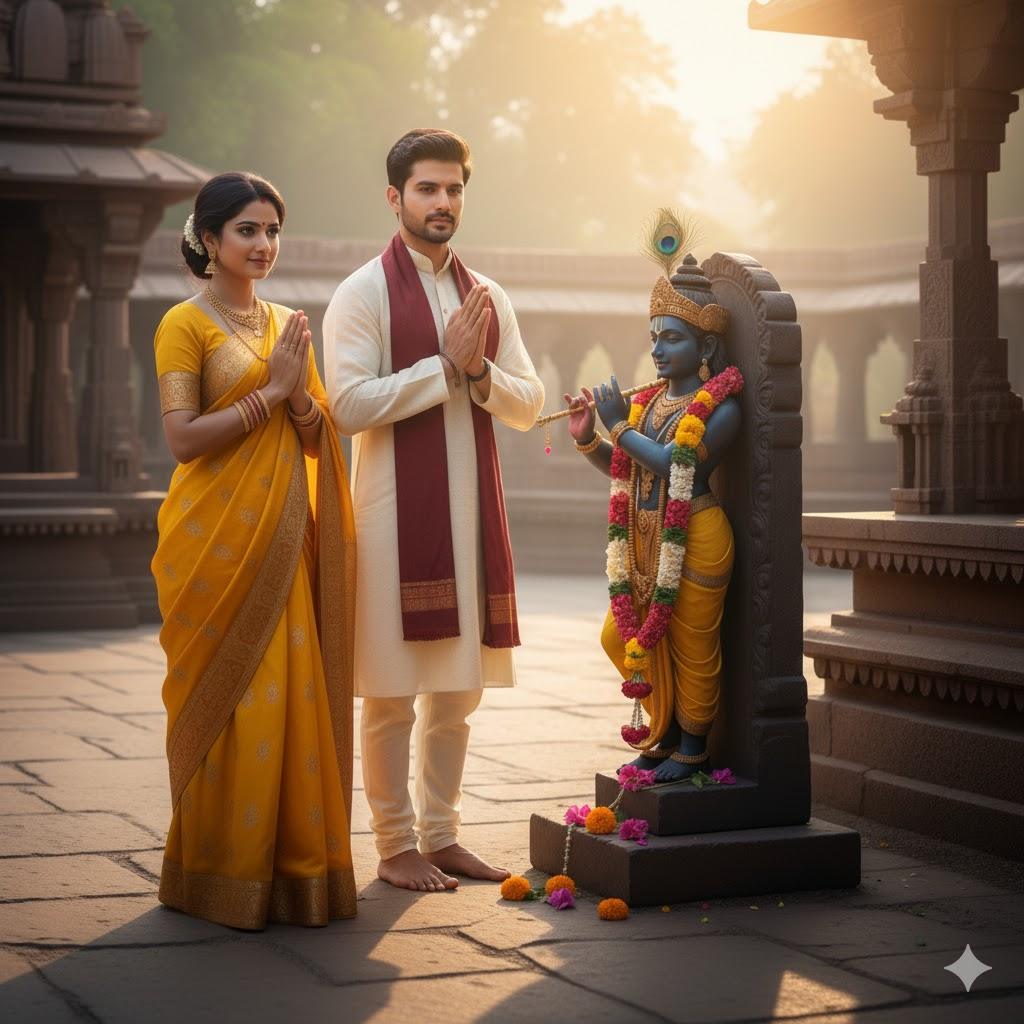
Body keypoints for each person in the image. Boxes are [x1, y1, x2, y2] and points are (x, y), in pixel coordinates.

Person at [324, 129, 544, 892]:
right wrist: (443, 367)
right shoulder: (362, 293)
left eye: (453, 189)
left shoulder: (487, 296)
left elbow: (528, 402)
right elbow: (346, 406)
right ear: (395, 197)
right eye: (427, 188)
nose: (443, 202)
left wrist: (477, 368)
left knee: (458, 692)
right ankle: (393, 846)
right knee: (391, 692)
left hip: (472, 517)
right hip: (392, 524)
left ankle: (443, 835)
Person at [152, 172, 357, 929]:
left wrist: (298, 395)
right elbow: (181, 440)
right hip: (213, 543)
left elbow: (315, 437)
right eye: (247, 230)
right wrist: (269, 393)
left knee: (289, 699)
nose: (264, 244)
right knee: (231, 702)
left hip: (279, 541)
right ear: (209, 240)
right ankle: (216, 870)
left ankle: (293, 871)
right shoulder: (185, 323)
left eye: (272, 230)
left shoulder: (286, 325)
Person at [564, 212, 742, 784]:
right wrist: (591, 435)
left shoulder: (721, 409)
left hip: (697, 537)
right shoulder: (647, 406)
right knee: (627, 638)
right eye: (654, 339)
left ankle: (693, 745)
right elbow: (627, 467)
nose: (659, 351)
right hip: (644, 540)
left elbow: (672, 465)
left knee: (690, 644)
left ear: (705, 344)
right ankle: (661, 734)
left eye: (673, 338)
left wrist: (619, 427)